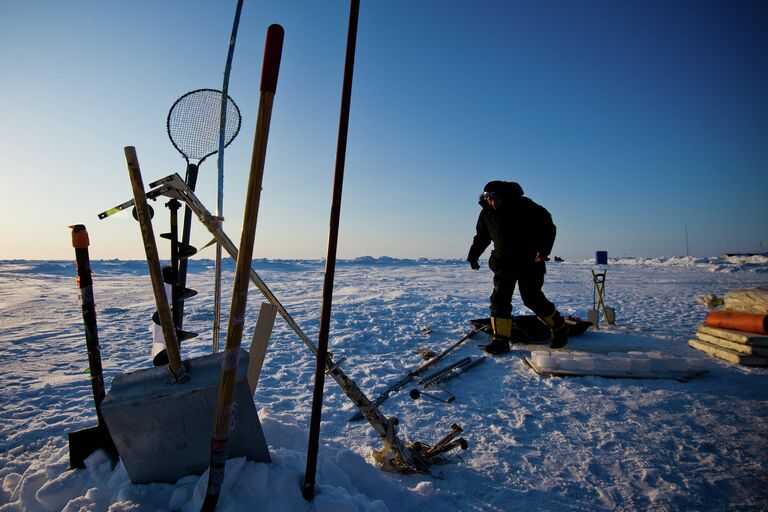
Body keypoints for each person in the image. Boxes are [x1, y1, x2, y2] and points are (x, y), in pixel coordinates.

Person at [467, 180, 568, 354]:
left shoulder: (527, 207)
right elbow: (482, 237)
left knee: (532, 298)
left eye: (495, 198)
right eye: (488, 198)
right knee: (499, 300)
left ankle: (559, 327)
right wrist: (473, 256)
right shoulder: (487, 213)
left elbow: (549, 228)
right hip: (503, 263)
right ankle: (501, 340)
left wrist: (543, 250)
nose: (492, 202)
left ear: (504, 196)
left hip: (530, 262)